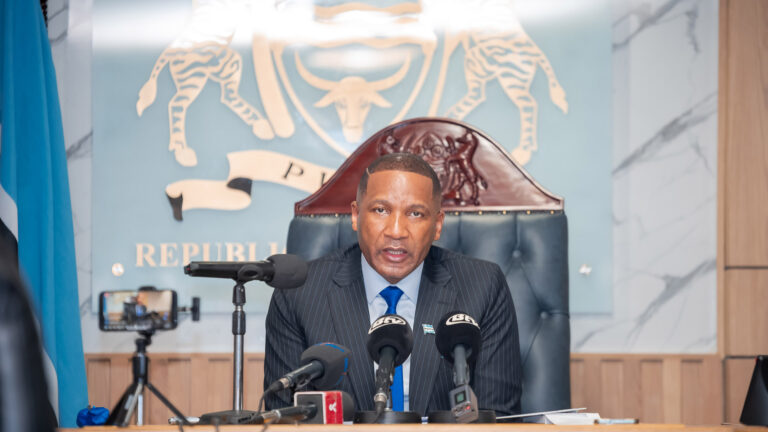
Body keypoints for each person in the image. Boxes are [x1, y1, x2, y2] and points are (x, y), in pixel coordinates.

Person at [263, 153, 522, 416]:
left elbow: (497, 417)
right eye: (381, 210)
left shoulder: (482, 286)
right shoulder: (299, 293)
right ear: (355, 215)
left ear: (437, 225)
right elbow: (284, 419)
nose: (396, 230)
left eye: (415, 213)